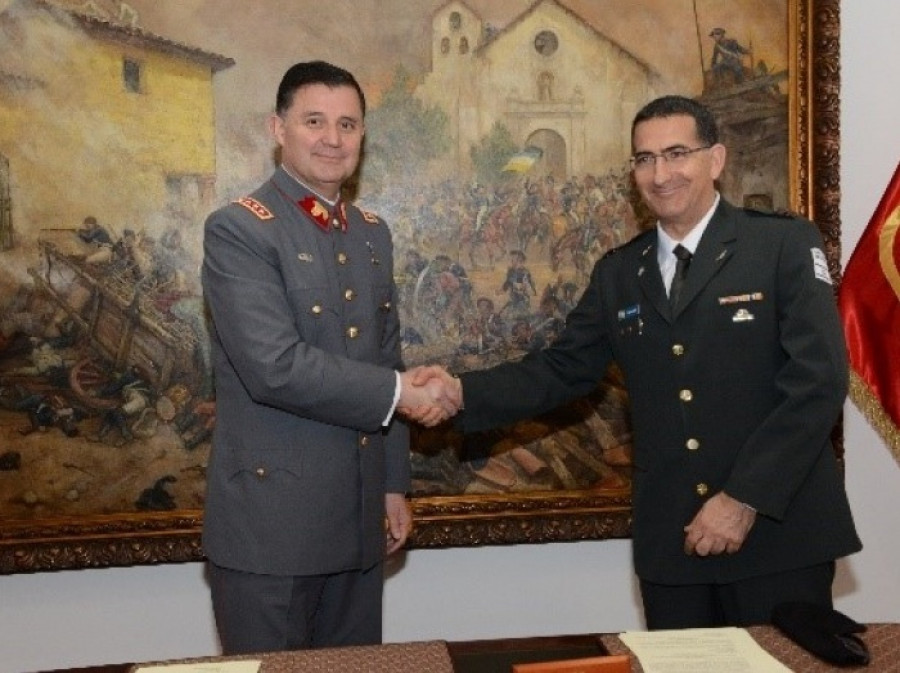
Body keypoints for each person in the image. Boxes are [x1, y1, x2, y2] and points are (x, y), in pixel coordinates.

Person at [408, 95, 861, 629]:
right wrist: (460, 391)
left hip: (779, 536)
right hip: (674, 546)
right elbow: (562, 369)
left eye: (676, 154)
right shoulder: (621, 272)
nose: (660, 173)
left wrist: (743, 499)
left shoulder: (780, 245)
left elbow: (818, 382)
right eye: (644, 159)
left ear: (715, 160)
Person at [201, 60, 450, 654]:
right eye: (314, 121)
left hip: (360, 520)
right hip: (272, 532)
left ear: (363, 136)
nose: (332, 139)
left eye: (348, 124)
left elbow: (386, 358)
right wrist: (401, 394)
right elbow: (274, 367)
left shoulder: (370, 233)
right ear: (277, 128)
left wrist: (392, 485)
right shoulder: (240, 230)